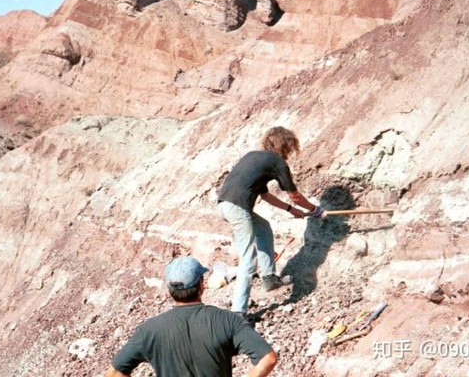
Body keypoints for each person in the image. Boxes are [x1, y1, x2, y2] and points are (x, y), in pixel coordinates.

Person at [104, 256, 278, 377]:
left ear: (169, 291)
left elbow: (114, 373)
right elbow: (267, 358)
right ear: (201, 285)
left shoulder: (148, 330)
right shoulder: (227, 320)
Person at [217, 126, 319, 317]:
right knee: (248, 259)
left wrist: (291, 210)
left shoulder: (254, 157)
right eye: (290, 148)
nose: (290, 152)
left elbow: (265, 196)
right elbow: (295, 195)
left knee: (263, 228)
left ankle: (269, 278)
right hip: (238, 207)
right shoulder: (277, 162)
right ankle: (238, 313)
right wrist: (315, 210)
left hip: (224, 205)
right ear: (286, 145)